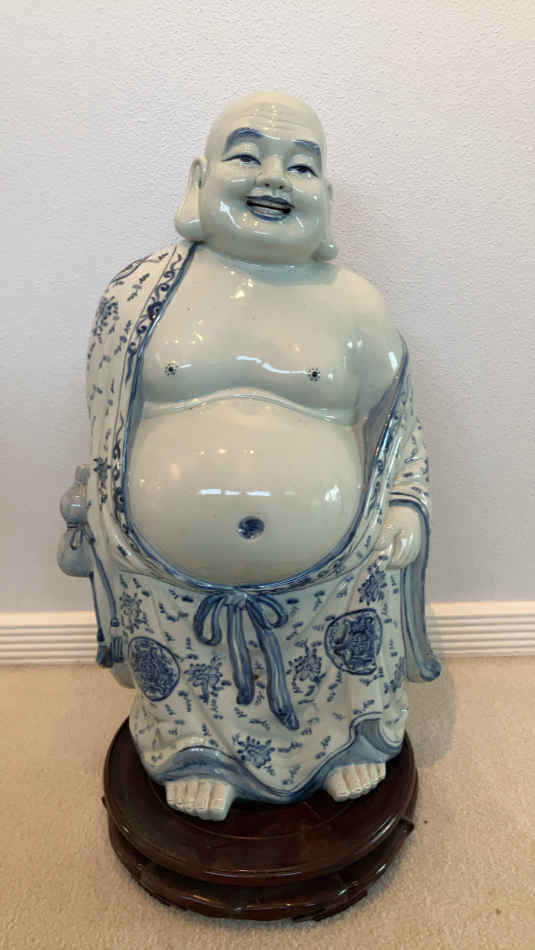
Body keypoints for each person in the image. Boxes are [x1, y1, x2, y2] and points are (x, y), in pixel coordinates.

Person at [59, 92, 440, 821]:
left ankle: (345, 741)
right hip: (166, 579)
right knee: (178, 661)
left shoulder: (354, 303)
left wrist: (403, 504)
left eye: (301, 166)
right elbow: (108, 421)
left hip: (333, 577)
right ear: (198, 180)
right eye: (246, 155)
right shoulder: (140, 297)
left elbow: (397, 427)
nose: (273, 177)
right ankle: (194, 747)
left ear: (325, 199)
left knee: (348, 641)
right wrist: (97, 509)